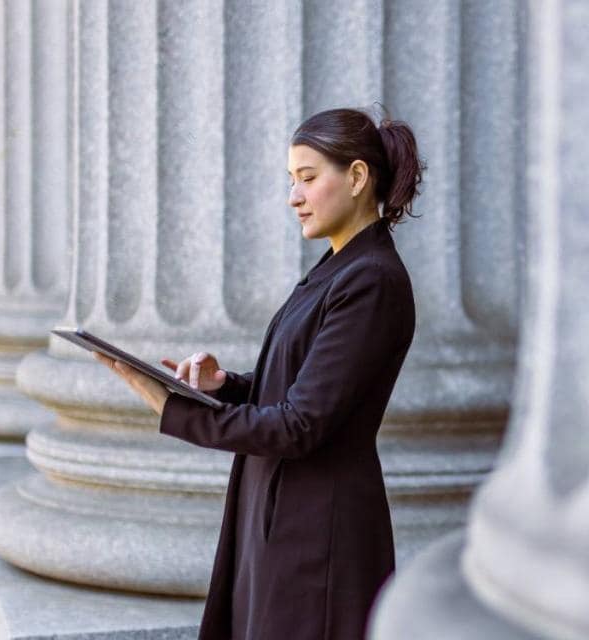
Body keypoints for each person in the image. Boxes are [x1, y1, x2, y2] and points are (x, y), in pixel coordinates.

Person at [96, 106, 424, 639]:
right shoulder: (339, 268)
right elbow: (300, 387)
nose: (293, 197)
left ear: (359, 177)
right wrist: (223, 387)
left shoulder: (371, 280)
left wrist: (175, 410)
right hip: (282, 515)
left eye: (308, 179)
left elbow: (301, 424)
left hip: (317, 538)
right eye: (291, 180)